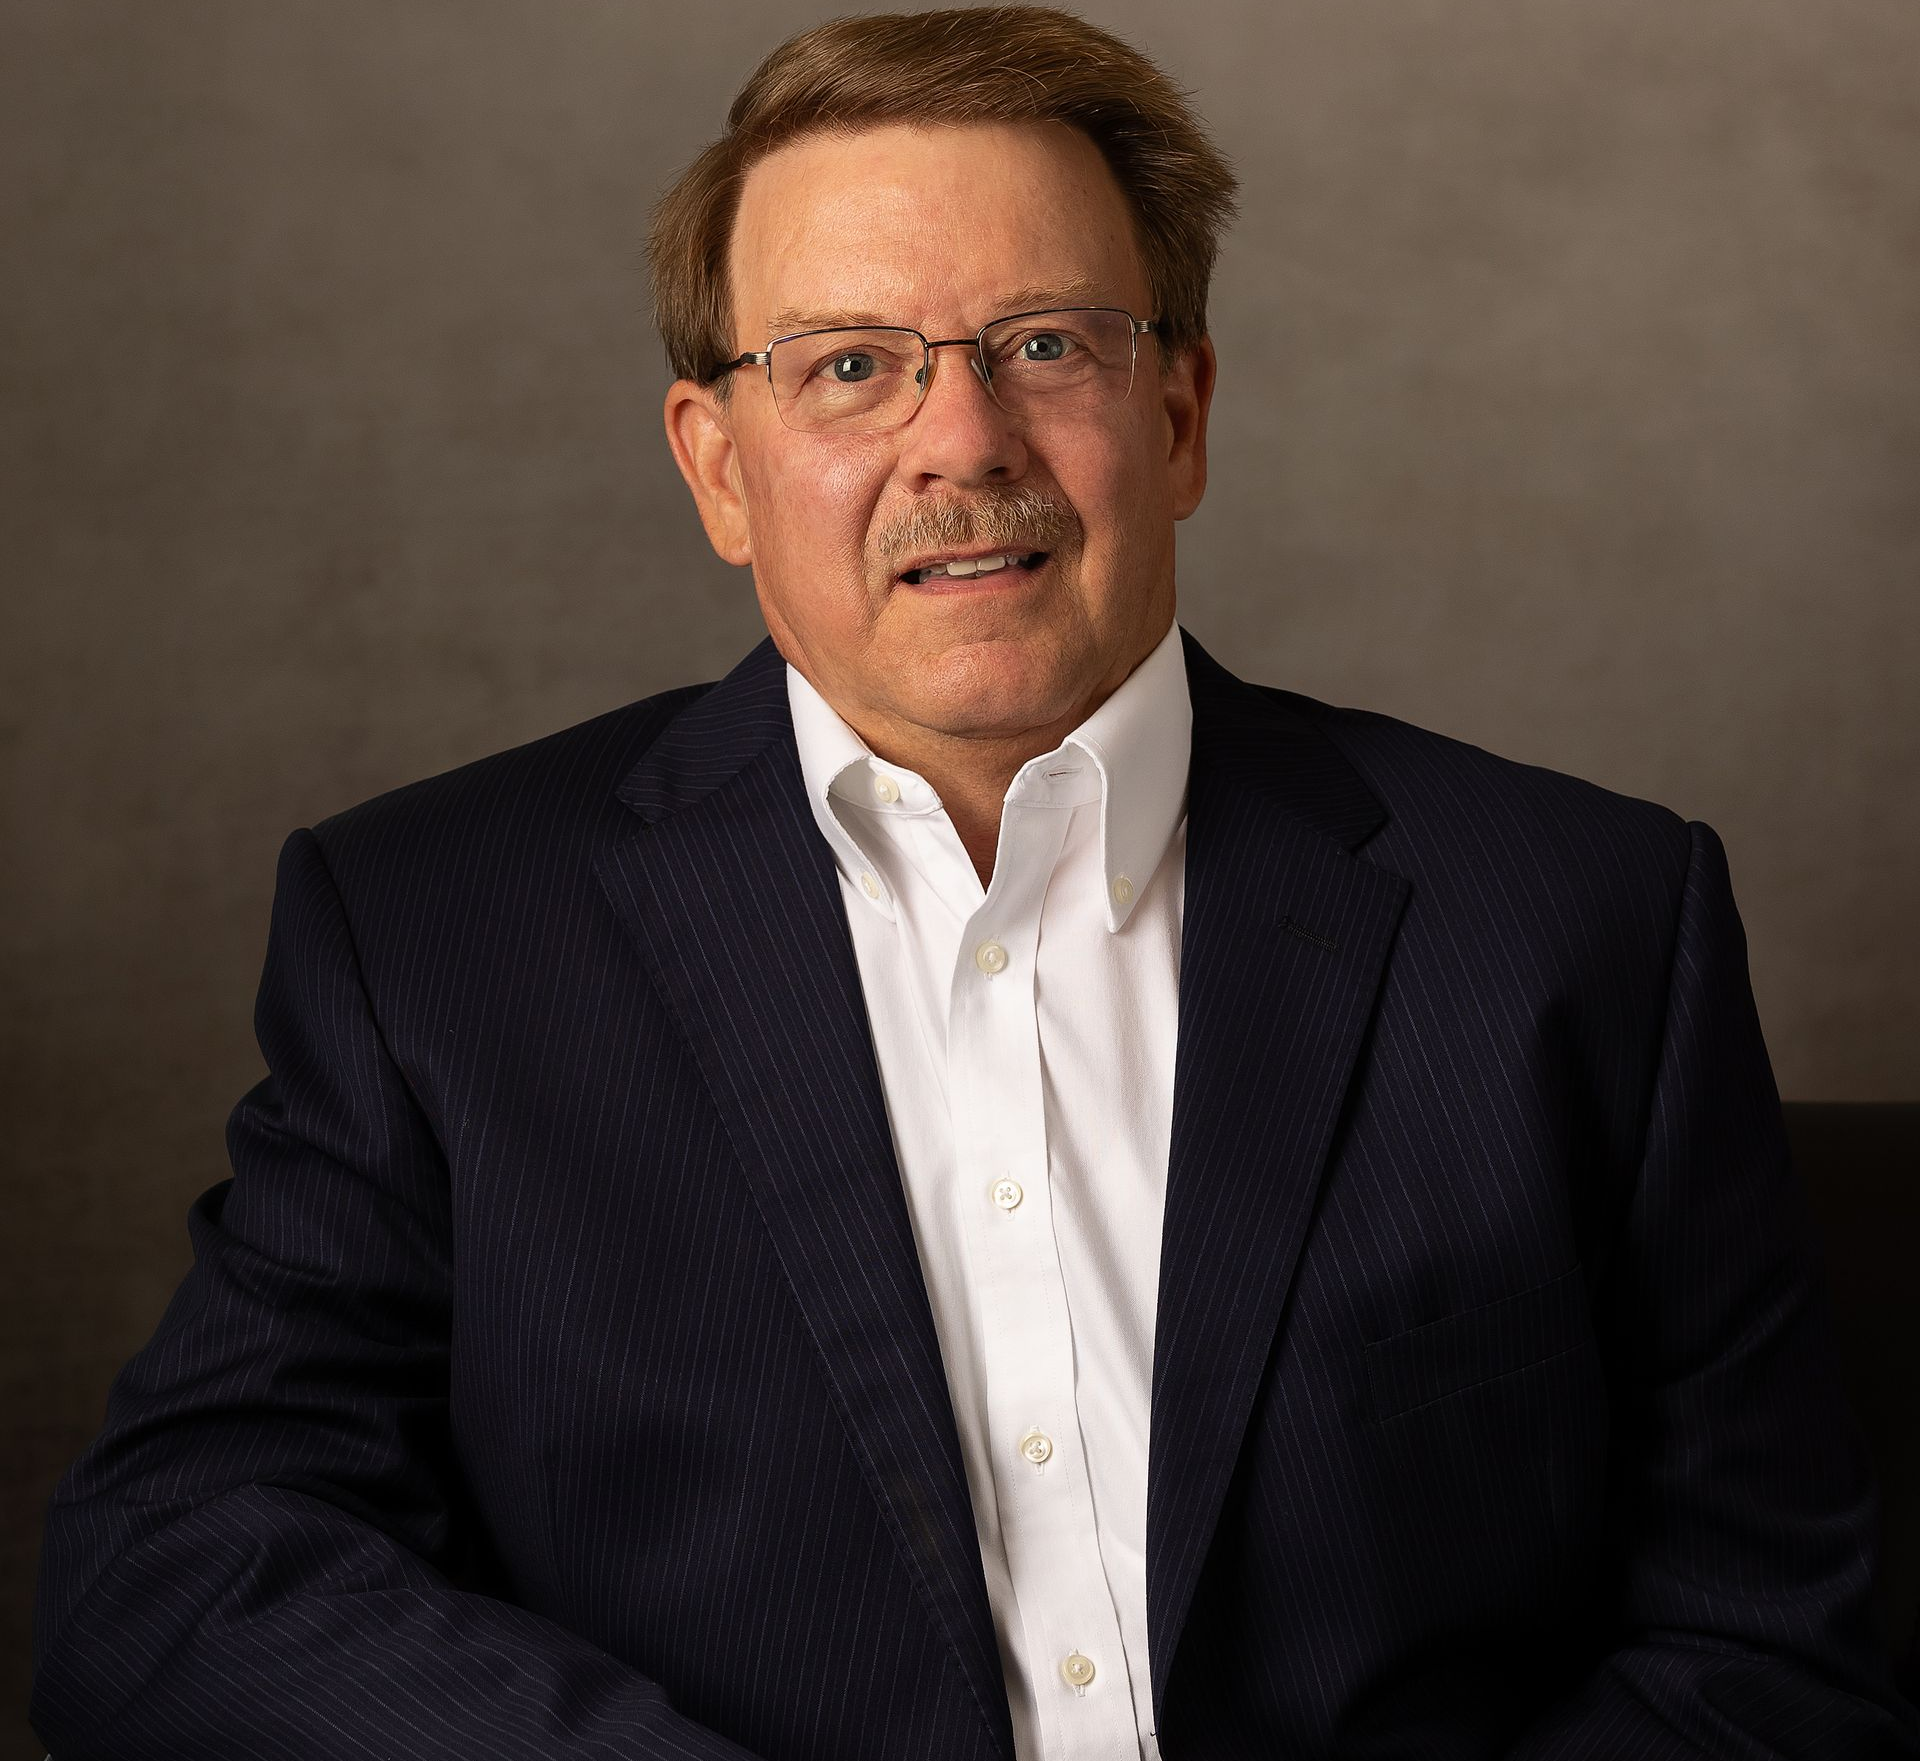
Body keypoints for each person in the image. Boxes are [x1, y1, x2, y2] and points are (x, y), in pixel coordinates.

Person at [30, 8, 1920, 1758]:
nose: (961, 441)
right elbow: (180, 1571)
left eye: (1046, 345)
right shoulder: (435, 937)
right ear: (719, 467)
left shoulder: (1582, 919)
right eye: (851, 366)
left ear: (1177, 416)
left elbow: (1769, 1642)